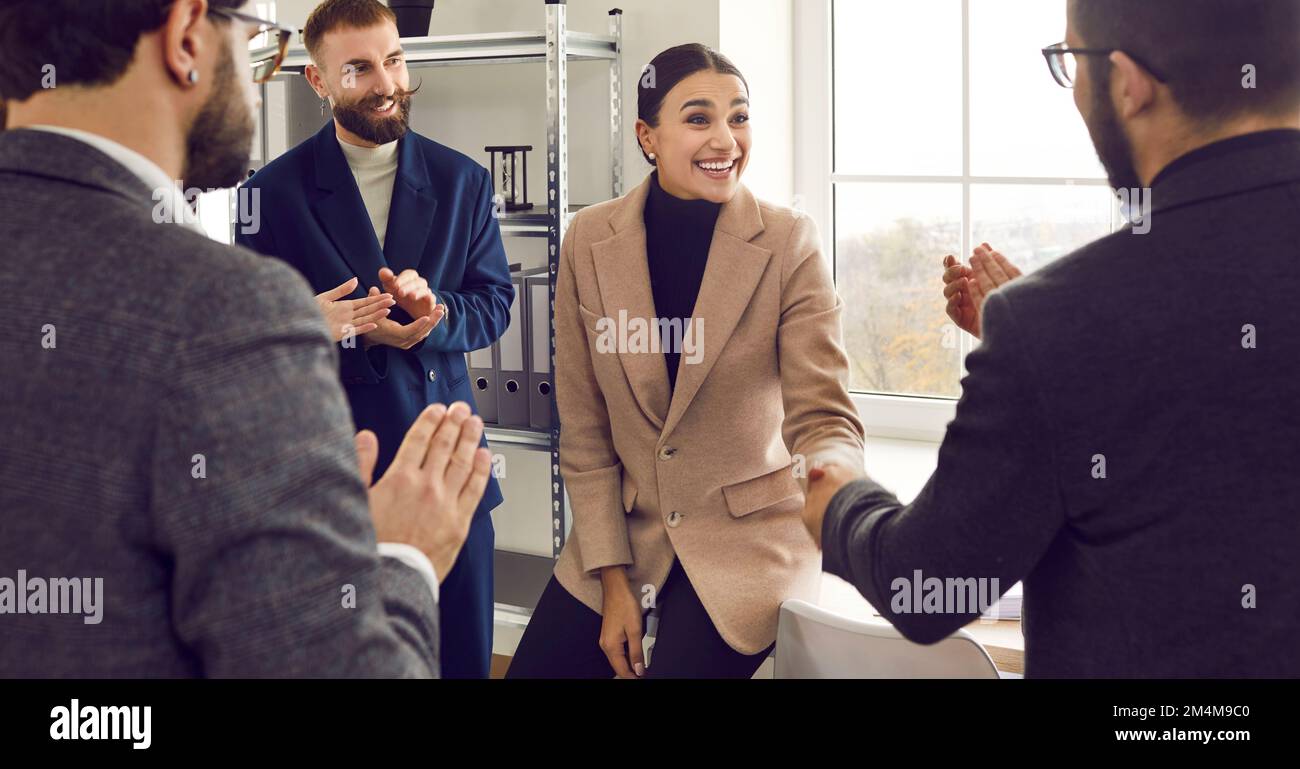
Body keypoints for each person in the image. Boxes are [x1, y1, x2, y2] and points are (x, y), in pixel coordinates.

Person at [804, 0, 1300, 677]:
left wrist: (841, 503)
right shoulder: (1065, 328)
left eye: (1073, 62)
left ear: (1129, 81)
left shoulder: (1063, 324)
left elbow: (926, 586)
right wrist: (1050, 355)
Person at [0, 0, 491, 677]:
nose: (258, 76)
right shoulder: (228, 304)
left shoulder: (461, 178)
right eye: (254, 42)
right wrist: (401, 560)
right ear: (185, 35)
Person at [506, 44, 865, 679]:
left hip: (745, 543)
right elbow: (585, 429)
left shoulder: (788, 243)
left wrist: (838, 484)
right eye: (699, 118)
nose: (726, 138)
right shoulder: (589, 240)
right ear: (648, 136)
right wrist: (613, 579)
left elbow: (824, 412)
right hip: (626, 535)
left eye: (740, 116)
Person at [235, 0, 514, 679]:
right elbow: (246, 339)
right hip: (333, 472)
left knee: (460, 659)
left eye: (393, 59)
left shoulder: (462, 182)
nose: (386, 82)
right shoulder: (268, 194)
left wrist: (436, 316)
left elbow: (495, 304)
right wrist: (312, 324)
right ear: (319, 82)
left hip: (448, 464)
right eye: (358, 68)